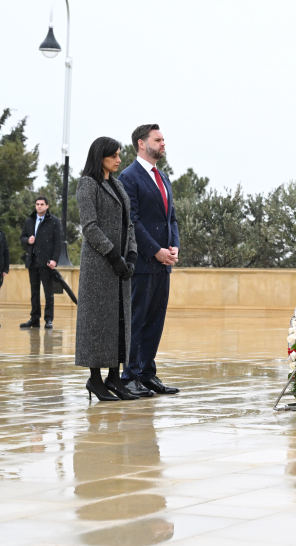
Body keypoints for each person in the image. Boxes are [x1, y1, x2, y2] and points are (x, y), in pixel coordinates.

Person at [75, 137, 139, 402]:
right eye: (114, 155)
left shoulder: (118, 185)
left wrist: (131, 254)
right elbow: (89, 226)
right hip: (100, 266)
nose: (119, 159)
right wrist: (113, 256)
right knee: (98, 323)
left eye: (120, 155)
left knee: (119, 321)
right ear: (100, 156)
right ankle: (95, 380)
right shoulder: (87, 185)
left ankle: (115, 378)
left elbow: (130, 224)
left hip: (120, 266)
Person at [118, 124, 180, 397]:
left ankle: (146, 374)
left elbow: (172, 218)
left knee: (155, 320)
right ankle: (129, 375)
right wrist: (155, 250)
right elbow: (132, 221)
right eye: (158, 139)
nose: (163, 143)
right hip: (142, 263)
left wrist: (173, 247)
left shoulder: (163, 178)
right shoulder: (128, 177)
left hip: (163, 264)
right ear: (142, 144)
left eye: (163, 139)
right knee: (137, 319)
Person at [19, 196, 62, 329]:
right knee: (34, 292)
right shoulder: (29, 221)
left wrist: (54, 260)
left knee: (49, 292)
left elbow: (58, 242)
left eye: (42, 204)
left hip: (47, 263)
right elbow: (22, 238)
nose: (39, 206)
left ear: (47, 206)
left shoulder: (54, 221)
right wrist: (28, 241)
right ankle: (35, 319)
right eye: (37, 204)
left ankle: (49, 319)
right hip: (32, 262)